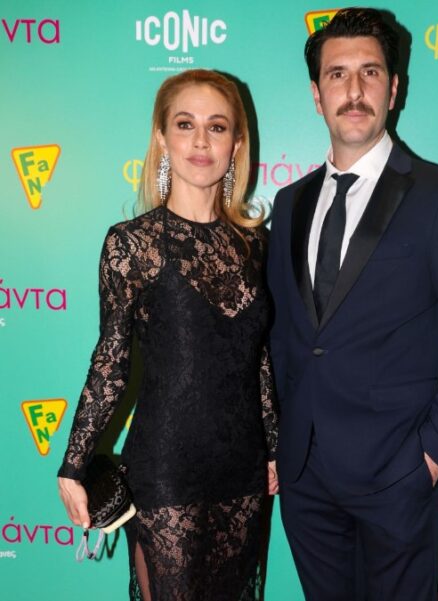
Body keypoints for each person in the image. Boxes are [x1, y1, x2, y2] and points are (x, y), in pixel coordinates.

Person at [266, 8, 438, 600]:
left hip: (399, 477)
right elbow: (285, 336)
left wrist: (432, 455)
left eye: (370, 73)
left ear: (394, 89)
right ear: (316, 95)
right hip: (305, 480)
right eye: (337, 74)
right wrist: (277, 444)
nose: (354, 90)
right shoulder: (289, 204)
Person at [56, 69, 277, 600]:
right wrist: (73, 464)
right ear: (162, 137)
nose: (201, 141)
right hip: (165, 467)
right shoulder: (132, 244)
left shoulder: (256, 245)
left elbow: (260, 358)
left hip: (243, 469)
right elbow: (111, 361)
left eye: (217, 127)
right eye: (185, 124)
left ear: (236, 144)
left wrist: (274, 447)